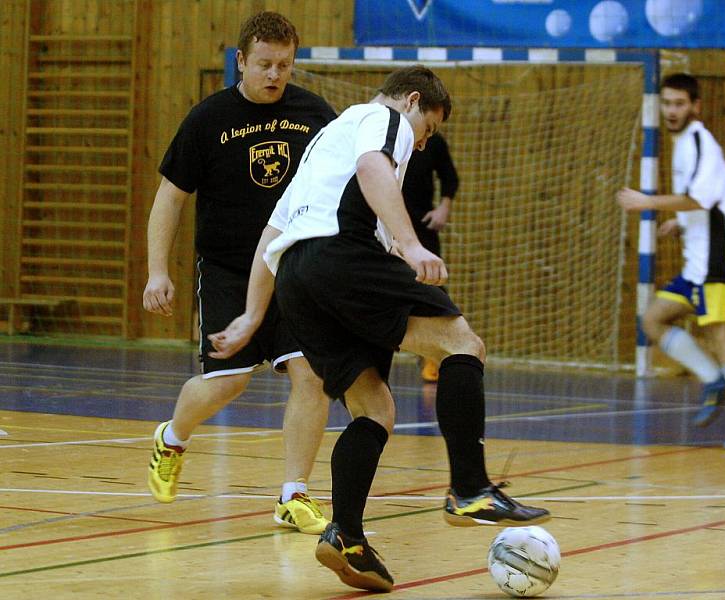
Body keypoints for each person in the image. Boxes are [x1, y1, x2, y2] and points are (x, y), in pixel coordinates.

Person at [209, 65, 550, 593]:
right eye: (428, 129)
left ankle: (346, 534)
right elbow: (374, 167)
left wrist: (254, 316)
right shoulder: (381, 118)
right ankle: (469, 488)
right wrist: (412, 245)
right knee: (463, 343)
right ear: (413, 101)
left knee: (376, 409)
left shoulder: (324, 142)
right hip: (343, 256)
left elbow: (272, 234)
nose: (422, 141)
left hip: (297, 281)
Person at [142, 11, 337, 534]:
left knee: (311, 375)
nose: (275, 75)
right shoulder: (208, 119)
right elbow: (170, 197)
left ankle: (294, 494)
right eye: (266, 64)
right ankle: (173, 437)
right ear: (242, 61)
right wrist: (157, 270)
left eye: (285, 65)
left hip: (294, 268)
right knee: (228, 382)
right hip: (229, 269)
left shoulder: (316, 114)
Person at [616, 72, 725, 451]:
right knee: (653, 319)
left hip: (715, 264)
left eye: (680, 104)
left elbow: (700, 197)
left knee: (722, 340)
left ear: (696, 106)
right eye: (667, 103)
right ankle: (714, 380)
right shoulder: (687, 144)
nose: (672, 111)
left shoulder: (699, 141)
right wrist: (682, 220)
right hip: (696, 265)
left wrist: (649, 202)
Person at [402, 132, 459, 382]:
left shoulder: (433, 141)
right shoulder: (383, 136)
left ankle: (435, 355)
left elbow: (450, 177)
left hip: (421, 226)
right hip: (384, 227)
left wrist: (443, 209)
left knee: (432, 287)